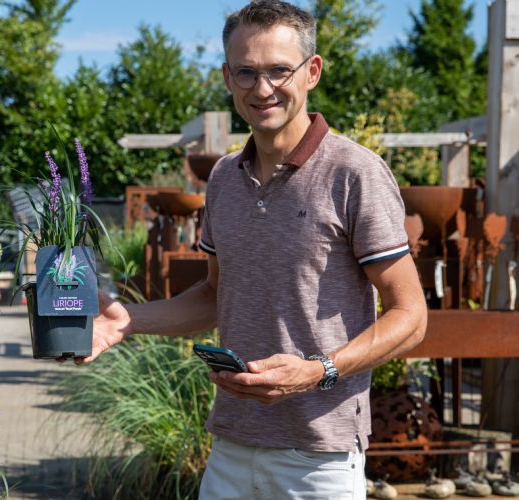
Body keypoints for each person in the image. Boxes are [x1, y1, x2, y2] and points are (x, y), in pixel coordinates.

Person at [79, 1, 428, 498]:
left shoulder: (355, 173)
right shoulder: (224, 177)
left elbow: (411, 316)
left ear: (312, 72)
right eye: (246, 72)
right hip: (231, 446)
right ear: (227, 77)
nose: (262, 89)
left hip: (318, 457)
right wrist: (128, 321)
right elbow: (213, 295)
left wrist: (317, 371)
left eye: (279, 70)